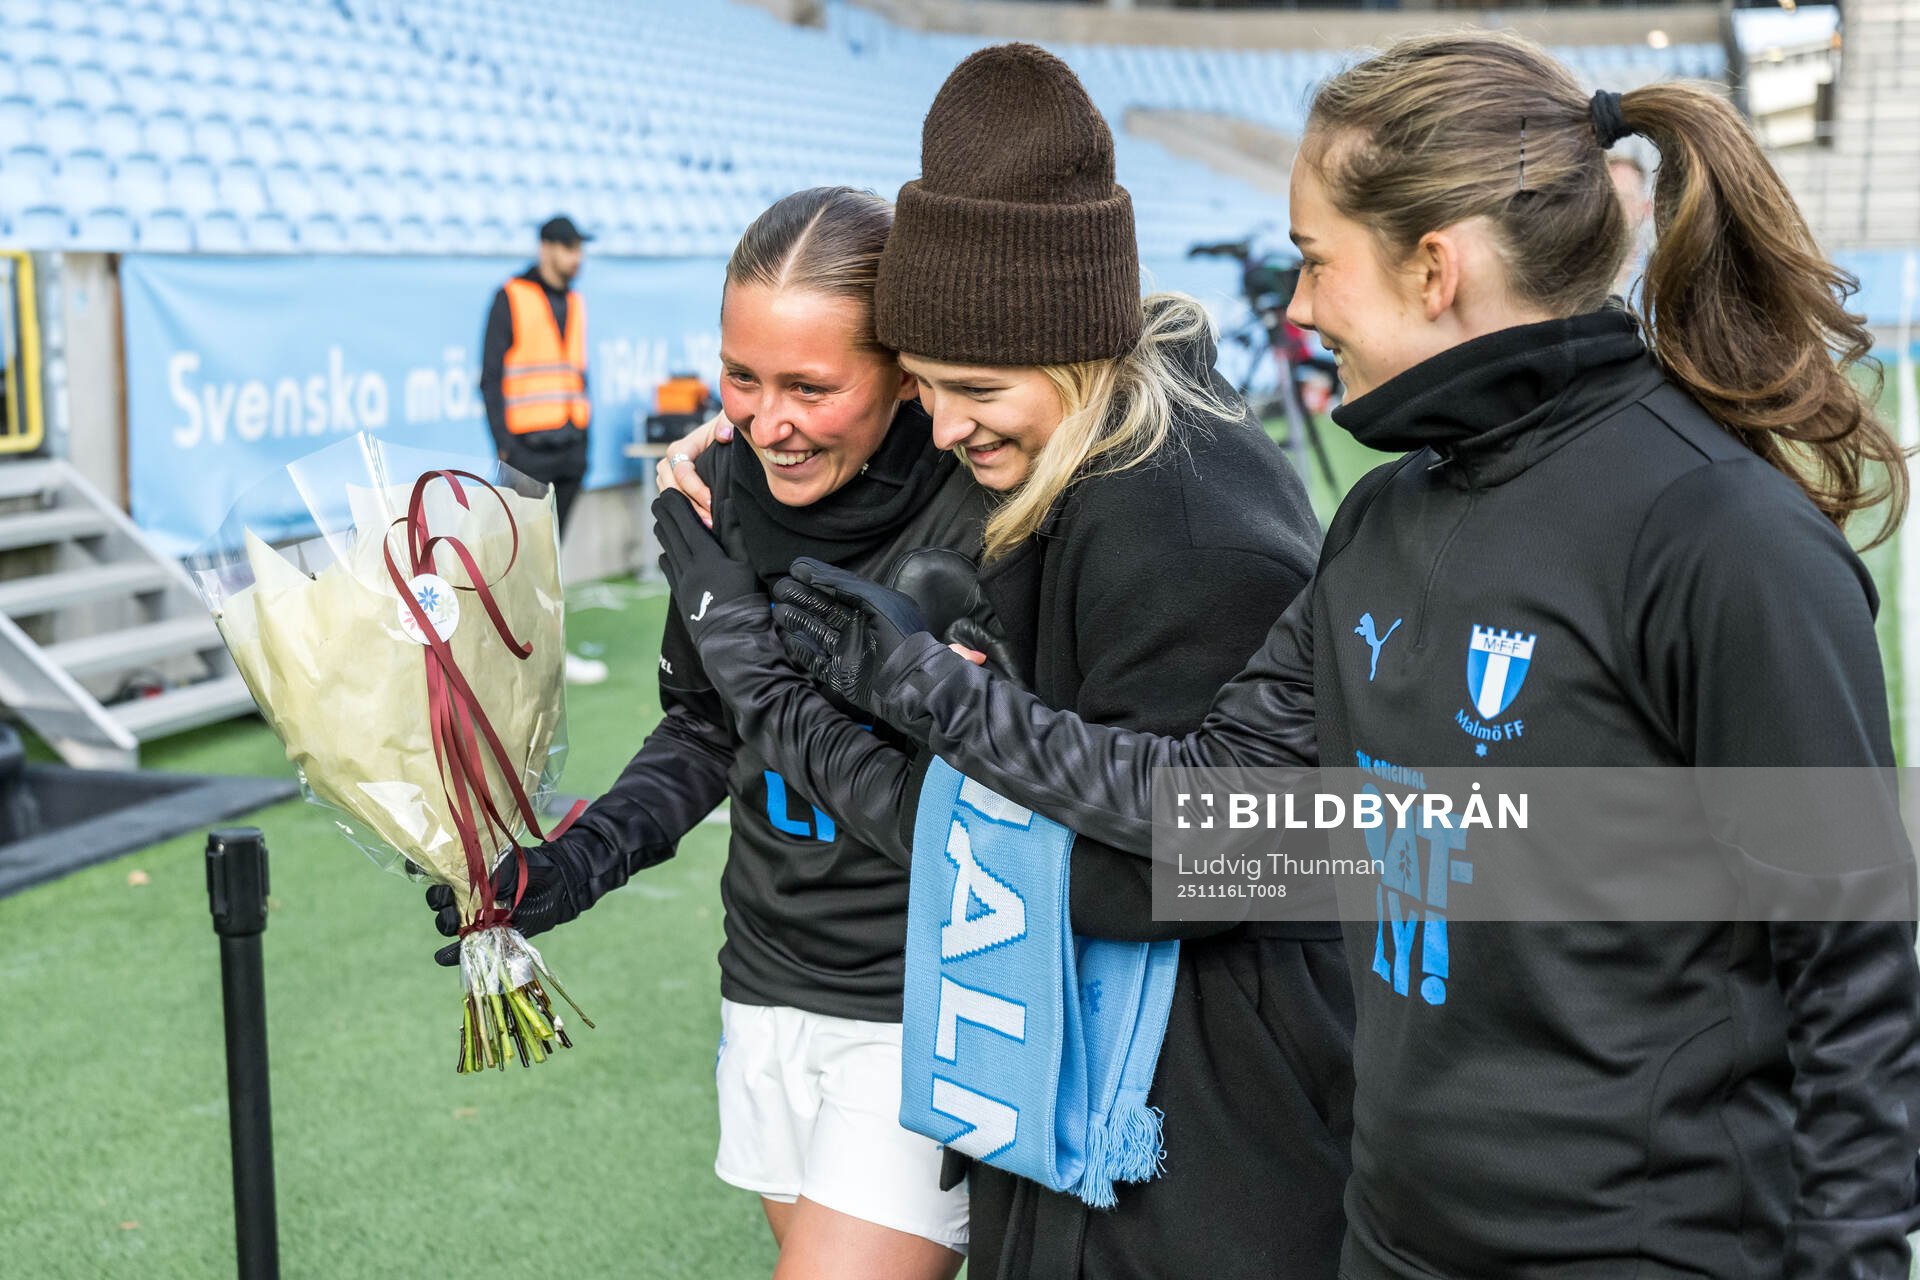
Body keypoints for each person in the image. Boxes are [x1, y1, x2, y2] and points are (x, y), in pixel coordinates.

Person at [772, 31, 1920, 1280]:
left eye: (1318, 261)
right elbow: (1206, 816)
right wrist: (917, 687)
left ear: (1435, 267)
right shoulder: (1384, 519)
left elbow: (1855, 969)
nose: (1300, 305)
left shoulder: (1718, 534)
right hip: (1390, 1240)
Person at [656, 43, 1354, 1280]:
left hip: (1196, 1130)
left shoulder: (1180, 520)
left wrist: (784, 680)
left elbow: (1182, 865)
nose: (943, 422)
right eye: (920, 382)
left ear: (1080, 351)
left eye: (974, 384)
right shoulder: (1081, 461)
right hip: (1085, 1081)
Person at [437, 188, 996, 1279]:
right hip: (767, 980)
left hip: (925, 1005)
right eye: (744, 376)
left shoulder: (976, 507)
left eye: (810, 386)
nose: (767, 419)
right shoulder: (723, 490)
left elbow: (965, 795)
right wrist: (577, 860)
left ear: (902, 371)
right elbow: (704, 726)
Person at [480, 214, 603, 684]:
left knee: (549, 557)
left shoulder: (575, 302)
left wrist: (585, 445)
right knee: (522, 559)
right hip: (528, 452)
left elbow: (576, 375)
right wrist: (505, 448)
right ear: (546, 248)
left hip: (571, 450)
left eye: (579, 247)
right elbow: (492, 378)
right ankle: (516, 656)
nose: (578, 257)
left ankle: (546, 654)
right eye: (570, 247)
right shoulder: (509, 297)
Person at [1608, 153, 1652, 295]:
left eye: (1625, 199)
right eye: (1607, 198)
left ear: (1646, 208)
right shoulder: (1571, 272)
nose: (1613, 209)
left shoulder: (1662, 278)